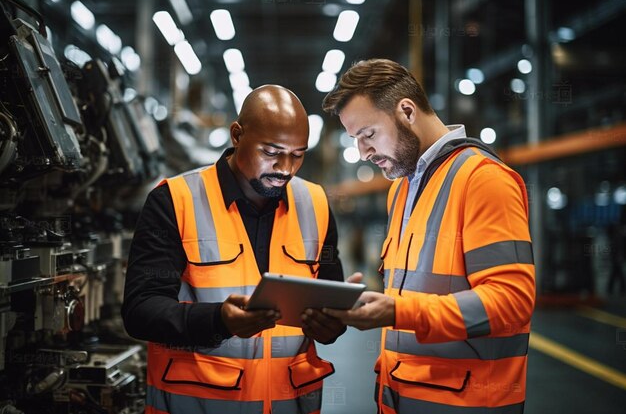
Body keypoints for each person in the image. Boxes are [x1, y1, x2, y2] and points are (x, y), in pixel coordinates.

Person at [322, 59, 535, 414]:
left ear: (406, 110)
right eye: (355, 139)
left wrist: (400, 310)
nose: (363, 152)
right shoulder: (402, 190)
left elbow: (511, 303)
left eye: (368, 134)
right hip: (402, 397)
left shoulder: (483, 179)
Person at [122, 85, 346, 414]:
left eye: (298, 154)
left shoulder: (315, 204)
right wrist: (217, 321)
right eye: (271, 152)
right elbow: (141, 311)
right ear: (237, 135)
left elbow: (329, 298)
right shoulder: (175, 201)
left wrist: (333, 324)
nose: (285, 167)